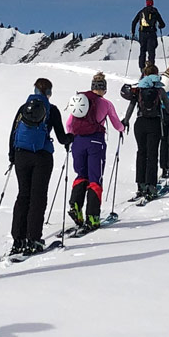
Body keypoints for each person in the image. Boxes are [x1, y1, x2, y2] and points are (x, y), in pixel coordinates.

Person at [8, 78, 74, 255]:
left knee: (23, 196)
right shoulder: (52, 110)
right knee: (38, 197)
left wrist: (12, 156)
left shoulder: (23, 108)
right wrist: (71, 138)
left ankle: (18, 239)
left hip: (21, 155)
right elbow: (61, 138)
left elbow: (13, 132)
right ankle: (33, 239)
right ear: (49, 93)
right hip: (42, 157)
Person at [66, 72, 126, 229]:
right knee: (95, 179)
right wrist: (123, 127)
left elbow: (69, 125)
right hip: (95, 142)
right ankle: (92, 217)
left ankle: (76, 206)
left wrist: (75, 137)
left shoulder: (80, 101)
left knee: (81, 175)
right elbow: (117, 125)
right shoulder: (106, 104)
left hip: (78, 142)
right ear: (104, 89)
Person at [122, 63, 169, 200]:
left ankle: (140, 185)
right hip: (155, 124)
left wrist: (126, 120)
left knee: (141, 152)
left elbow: (131, 106)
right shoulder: (159, 89)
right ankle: (151, 186)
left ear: (145, 74)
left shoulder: (139, 89)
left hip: (139, 124)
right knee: (152, 155)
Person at [130, 0, 165, 71]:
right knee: (151, 52)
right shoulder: (155, 11)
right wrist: (160, 26)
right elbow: (162, 24)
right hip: (152, 34)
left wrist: (133, 32)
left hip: (142, 34)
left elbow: (134, 22)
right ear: (152, 3)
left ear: (146, 3)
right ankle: (151, 68)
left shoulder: (141, 12)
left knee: (142, 51)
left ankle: (142, 68)